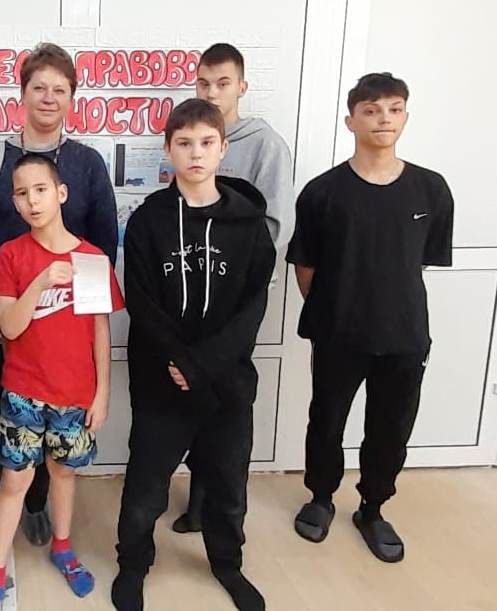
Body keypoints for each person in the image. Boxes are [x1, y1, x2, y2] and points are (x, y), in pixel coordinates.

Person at [0, 42, 118, 548]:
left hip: (60, 323)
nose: (48, 97)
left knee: (54, 413)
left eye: (59, 90)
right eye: (38, 88)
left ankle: (38, 501)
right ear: (21, 93)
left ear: (72, 97)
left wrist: (83, 311)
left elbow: (102, 243)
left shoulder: (86, 163)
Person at [113, 99, 275, 611]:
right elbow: (142, 301)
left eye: (206, 143)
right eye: (184, 144)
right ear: (168, 150)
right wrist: (181, 363)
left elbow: (253, 306)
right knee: (146, 487)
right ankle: (133, 564)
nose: (196, 153)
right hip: (162, 381)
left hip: (227, 385)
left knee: (228, 486)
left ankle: (227, 564)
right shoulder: (148, 221)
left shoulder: (249, 224)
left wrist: (203, 366)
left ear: (223, 148)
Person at [287, 72, 453, 563]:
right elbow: (305, 266)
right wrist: (337, 308)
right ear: (351, 120)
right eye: (372, 110)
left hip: (405, 335)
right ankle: (320, 497)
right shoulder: (323, 192)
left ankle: (373, 507)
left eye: (394, 109)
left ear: (405, 117)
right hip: (338, 332)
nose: (383, 119)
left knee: (391, 427)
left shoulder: (430, 189)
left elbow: (419, 261)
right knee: (327, 419)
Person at [0, 154, 123, 611]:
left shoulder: (92, 258)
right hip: (23, 392)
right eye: (21, 193)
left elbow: (100, 330)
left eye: (40, 190)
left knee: (63, 473)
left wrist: (102, 393)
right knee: (14, 481)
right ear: (14, 202)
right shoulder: (11, 255)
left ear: (61, 193)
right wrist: (39, 283)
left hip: (75, 394)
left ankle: (63, 547)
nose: (32, 201)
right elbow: (10, 327)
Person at [173, 41, 296, 534]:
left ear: (241, 86)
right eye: (204, 83)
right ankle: (197, 501)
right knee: (193, 394)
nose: (212, 92)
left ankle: (223, 510)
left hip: (237, 300)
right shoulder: (188, 137)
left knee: (229, 402)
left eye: (223, 83)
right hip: (191, 296)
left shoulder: (265, 145)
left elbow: (275, 227)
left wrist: (240, 286)